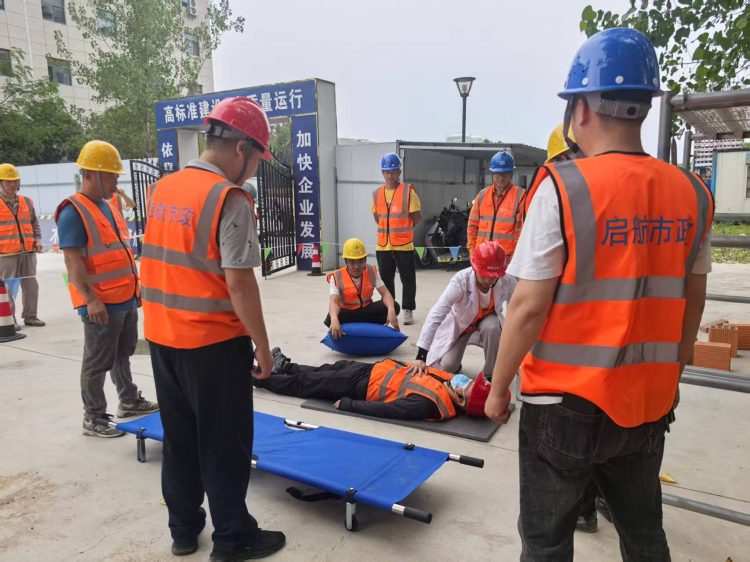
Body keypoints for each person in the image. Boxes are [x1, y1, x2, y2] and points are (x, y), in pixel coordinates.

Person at [484, 28, 714, 561]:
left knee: (546, 543)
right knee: (644, 535)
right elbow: (693, 302)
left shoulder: (562, 188)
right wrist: (673, 376)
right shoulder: (693, 194)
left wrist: (497, 388)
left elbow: (528, 306)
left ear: (581, 108)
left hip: (563, 405)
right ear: (643, 107)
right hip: (647, 402)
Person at [140, 96, 285, 561]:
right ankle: (233, 538)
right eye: (258, 159)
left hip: (162, 338)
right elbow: (240, 283)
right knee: (225, 444)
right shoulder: (229, 198)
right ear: (241, 148)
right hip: (213, 344)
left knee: (180, 439)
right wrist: (263, 347)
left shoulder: (164, 188)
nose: (255, 170)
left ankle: (184, 531)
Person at [55, 141, 159, 439]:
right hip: (100, 302)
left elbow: (118, 253)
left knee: (122, 353)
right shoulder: (73, 211)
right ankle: (93, 417)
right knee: (97, 361)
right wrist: (90, 299)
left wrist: (134, 292)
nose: (116, 181)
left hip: (123, 297)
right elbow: (73, 261)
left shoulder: (108, 206)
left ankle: (128, 399)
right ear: (90, 175)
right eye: (111, 176)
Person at [257, 348, 491, 421]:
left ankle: (261, 378)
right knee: (325, 370)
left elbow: (387, 410)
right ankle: (286, 367)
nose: (466, 380)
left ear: (462, 401)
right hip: (370, 370)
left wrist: (350, 405)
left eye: (469, 386)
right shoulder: (448, 381)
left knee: (307, 384)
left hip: (359, 386)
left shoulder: (427, 404)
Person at [411, 241, 514, 379]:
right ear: (475, 268)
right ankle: (456, 363)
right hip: (462, 326)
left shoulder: (507, 280)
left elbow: (517, 312)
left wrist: (516, 355)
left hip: (488, 326)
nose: (488, 280)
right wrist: (421, 356)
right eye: (484, 275)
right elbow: (436, 314)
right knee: (447, 366)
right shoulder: (460, 281)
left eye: (492, 276)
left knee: (492, 326)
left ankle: (491, 375)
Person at [371, 152, 421, 325]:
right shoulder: (377, 193)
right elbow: (377, 217)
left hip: (403, 244)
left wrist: (402, 231)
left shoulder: (408, 192)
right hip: (383, 246)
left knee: (408, 279)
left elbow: (416, 217)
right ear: (382, 173)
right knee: (386, 280)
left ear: (399, 172)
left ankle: (408, 310)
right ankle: (390, 309)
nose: (390, 175)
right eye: (387, 172)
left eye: (393, 171)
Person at [0, 163, 45, 329]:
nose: (13, 184)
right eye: (8, 181)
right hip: (6, 254)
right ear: (1, 182)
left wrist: (38, 240)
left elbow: (34, 223)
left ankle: (31, 316)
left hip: (28, 251)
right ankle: (9, 319)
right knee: (6, 288)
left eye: (15, 180)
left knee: (31, 285)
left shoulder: (27, 201)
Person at [325, 237, 400, 338]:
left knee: (394, 306)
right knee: (331, 317)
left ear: (365, 260)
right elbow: (334, 301)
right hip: (349, 313)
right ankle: (362, 326)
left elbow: (385, 293)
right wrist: (334, 318)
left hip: (367, 310)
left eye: (360, 261)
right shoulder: (336, 276)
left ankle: (357, 327)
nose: (356, 266)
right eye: (352, 262)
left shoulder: (371, 271)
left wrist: (391, 310)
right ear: (346, 261)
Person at [466, 151, 524, 263]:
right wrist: (472, 251)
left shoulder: (520, 196)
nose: (501, 178)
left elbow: (520, 231)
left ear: (511, 174)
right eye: (498, 174)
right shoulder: (482, 195)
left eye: (505, 174)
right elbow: (472, 226)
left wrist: (515, 257)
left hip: (506, 258)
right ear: (492, 174)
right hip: (481, 255)